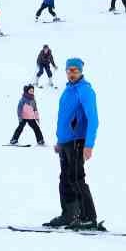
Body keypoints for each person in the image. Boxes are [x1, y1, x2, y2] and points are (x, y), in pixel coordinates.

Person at [45, 58, 101, 230]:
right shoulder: (68, 90)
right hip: (66, 143)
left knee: (77, 178)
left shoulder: (85, 91)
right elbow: (63, 118)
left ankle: (89, 218)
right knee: (65, 179)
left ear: (81, 71)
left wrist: (89, 144)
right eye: (69, 70)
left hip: (78, 141)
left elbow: (93, 119)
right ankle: (69, 214)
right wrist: (59, 141)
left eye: (75, 70)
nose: (72, 73)